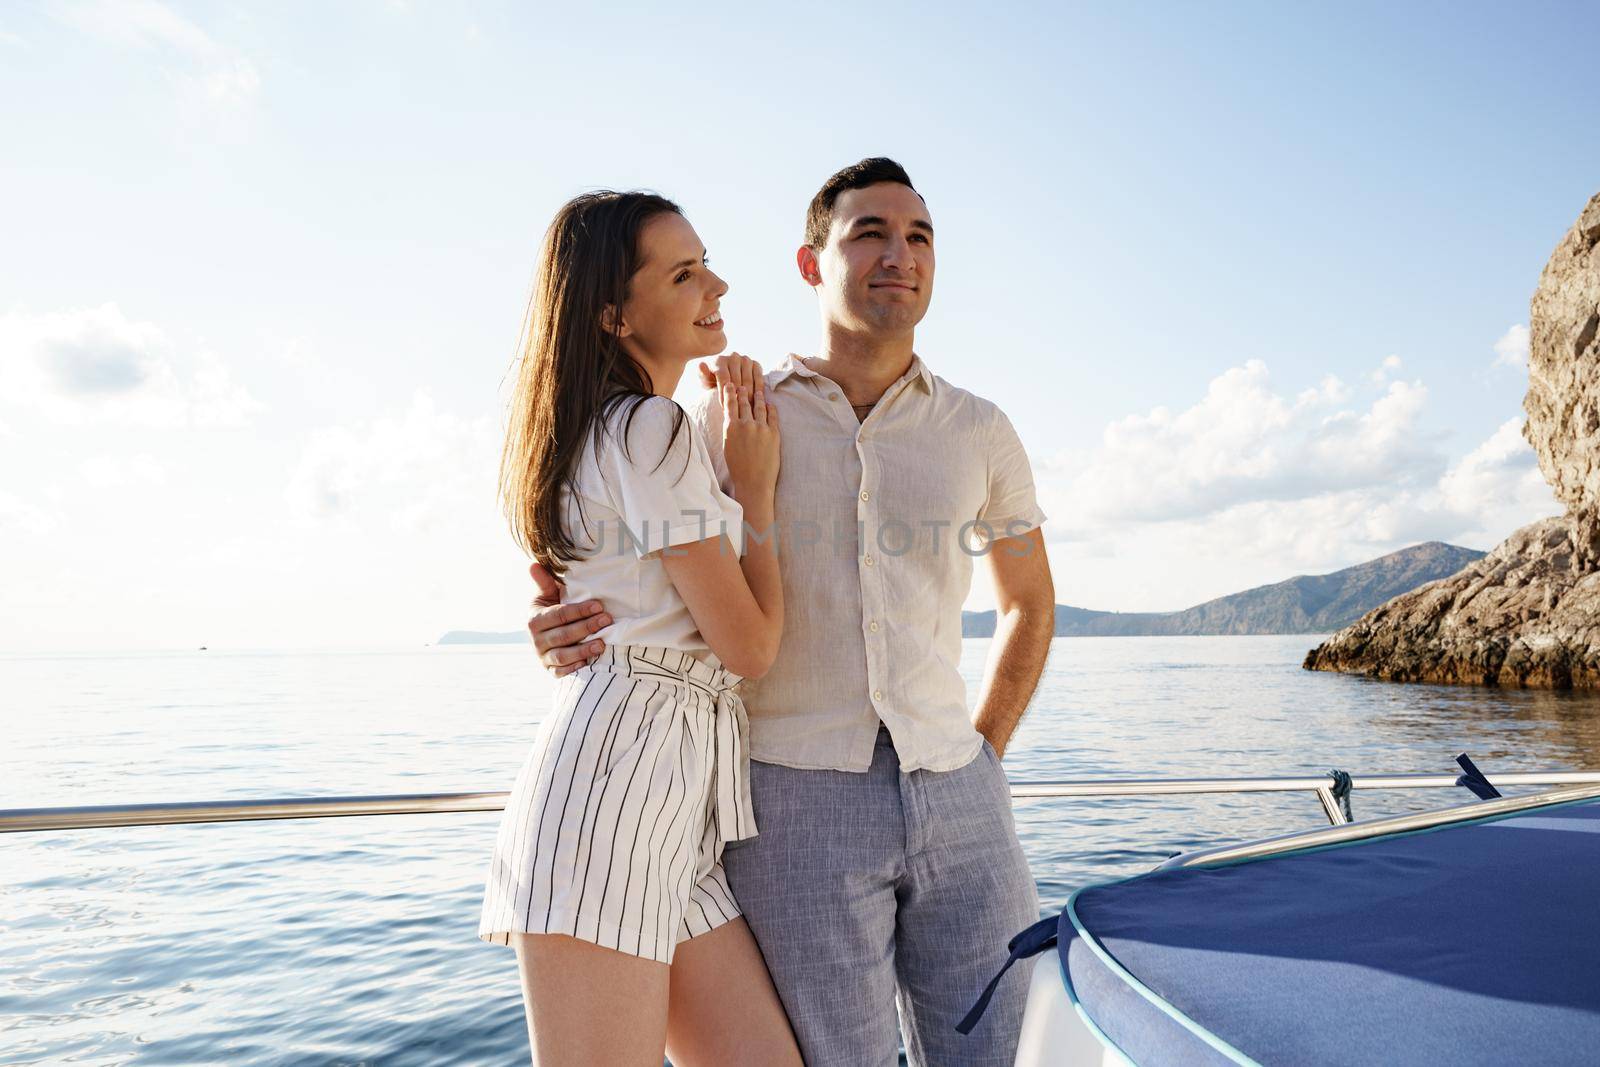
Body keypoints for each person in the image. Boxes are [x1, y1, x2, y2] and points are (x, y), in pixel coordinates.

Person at [527, 158, 1056, 1066]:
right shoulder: (725, 417)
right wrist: (557, 615)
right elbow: (626, 550)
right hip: (791, 804)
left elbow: (1029, 604)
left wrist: (985, 752)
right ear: (812, 264)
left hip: (961, 793)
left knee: (1002, 1051)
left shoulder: (981, 429)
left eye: (920, 236)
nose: (902, 255)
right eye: (871, 234)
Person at [479, 189, 802, 1067]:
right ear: (613, 314)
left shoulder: (599, 434)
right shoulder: (652, 428)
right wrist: (757, 494)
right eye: (686, 273)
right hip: (616, 801)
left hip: (672, 809)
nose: (718, 285)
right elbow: (750, 648)